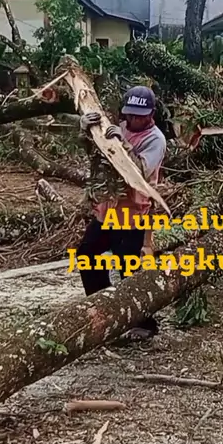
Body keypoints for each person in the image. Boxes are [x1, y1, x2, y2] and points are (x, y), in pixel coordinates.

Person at [77, 85, 167, 340]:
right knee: (87, 255)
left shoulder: (155, 140)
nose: (133, 120)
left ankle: (145, 323)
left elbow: (141, 172)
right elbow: (96, 155)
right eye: (130, 114)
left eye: (139, 116)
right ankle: (104, 306)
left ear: (151, 114)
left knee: (129, 269)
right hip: (107, 210)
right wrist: (86, 132)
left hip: (132, 214)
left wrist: (124, 143)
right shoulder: (118, 126)